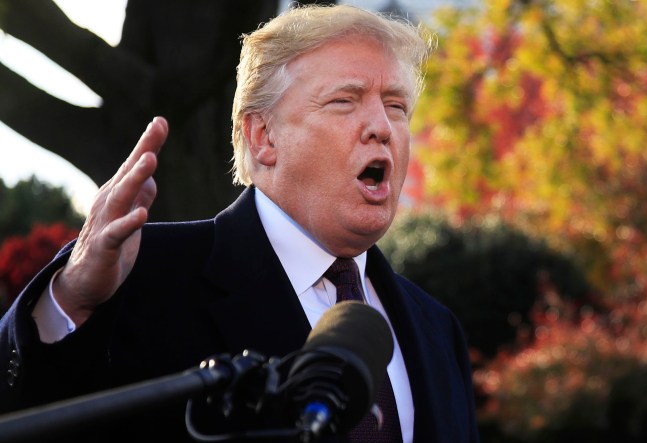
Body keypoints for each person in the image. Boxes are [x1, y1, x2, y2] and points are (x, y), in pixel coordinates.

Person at [0, 4, 479, 442]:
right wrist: (71, 300)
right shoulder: (142, 277)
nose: (382, 127)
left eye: (396, 106)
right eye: (344, 101)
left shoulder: (438, 329)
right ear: (263, 137)